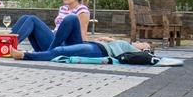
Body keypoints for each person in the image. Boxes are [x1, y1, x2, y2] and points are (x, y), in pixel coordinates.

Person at [9, 0, 91, 53]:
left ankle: (9, 46)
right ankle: (4, 43)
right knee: (25, 17)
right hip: (52, 39)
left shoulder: (82, 10)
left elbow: (82, 33)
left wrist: (84, 49)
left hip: (62, 44)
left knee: (32, 20)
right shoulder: (63, 8)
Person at [9, 37, 152, 62]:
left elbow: (142, 58)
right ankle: (29, 54)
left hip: (100, 51)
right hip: (96, 46)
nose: (138, 42)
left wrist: (145, 50)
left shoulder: (135, 52)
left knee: (59, 51)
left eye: (142, 42)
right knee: (60, 50)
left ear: (147, 47)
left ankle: (25, 55)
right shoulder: (125, 44)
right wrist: (109, 39)